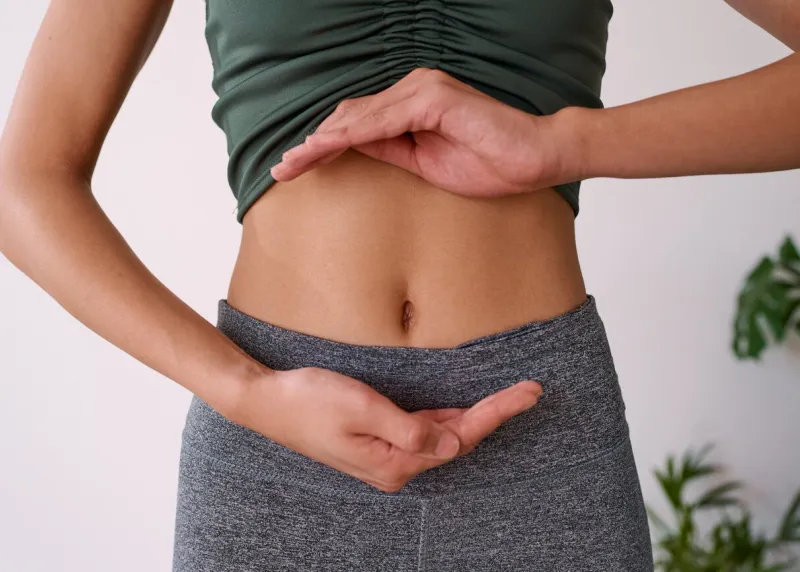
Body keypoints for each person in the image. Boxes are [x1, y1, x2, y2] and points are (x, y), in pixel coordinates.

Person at [0, 0, 798, 570]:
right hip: (278, 440)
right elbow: (24, 183)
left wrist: (564, 145)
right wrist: (245, 392)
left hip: (539, 431)